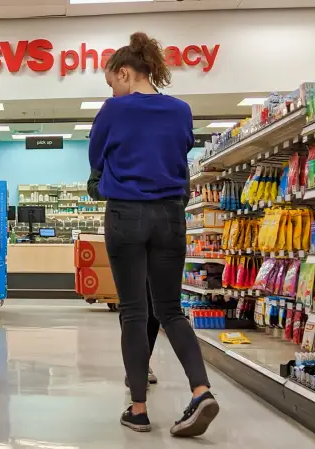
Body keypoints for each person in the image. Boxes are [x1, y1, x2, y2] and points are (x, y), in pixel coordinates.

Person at [87, 32, 218, 436]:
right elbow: (180, 155)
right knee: (170, 309)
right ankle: (201, 391)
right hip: (170, 216)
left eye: (112, 82)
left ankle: (139, 409)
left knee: (133, 311)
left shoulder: (114, 110)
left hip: (126, 215)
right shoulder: (180, 110)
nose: (112, 90)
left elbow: (96, 158)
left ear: (124, 73)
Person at [87, 169, 159, 387]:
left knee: (154, 307)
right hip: (124, 231)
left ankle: (143, 362)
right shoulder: (111, 149)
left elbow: (180, 185)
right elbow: (93, 188)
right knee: (132, 307)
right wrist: (120, 188)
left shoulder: (157, 147)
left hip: (159, 231)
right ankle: (136, 368)